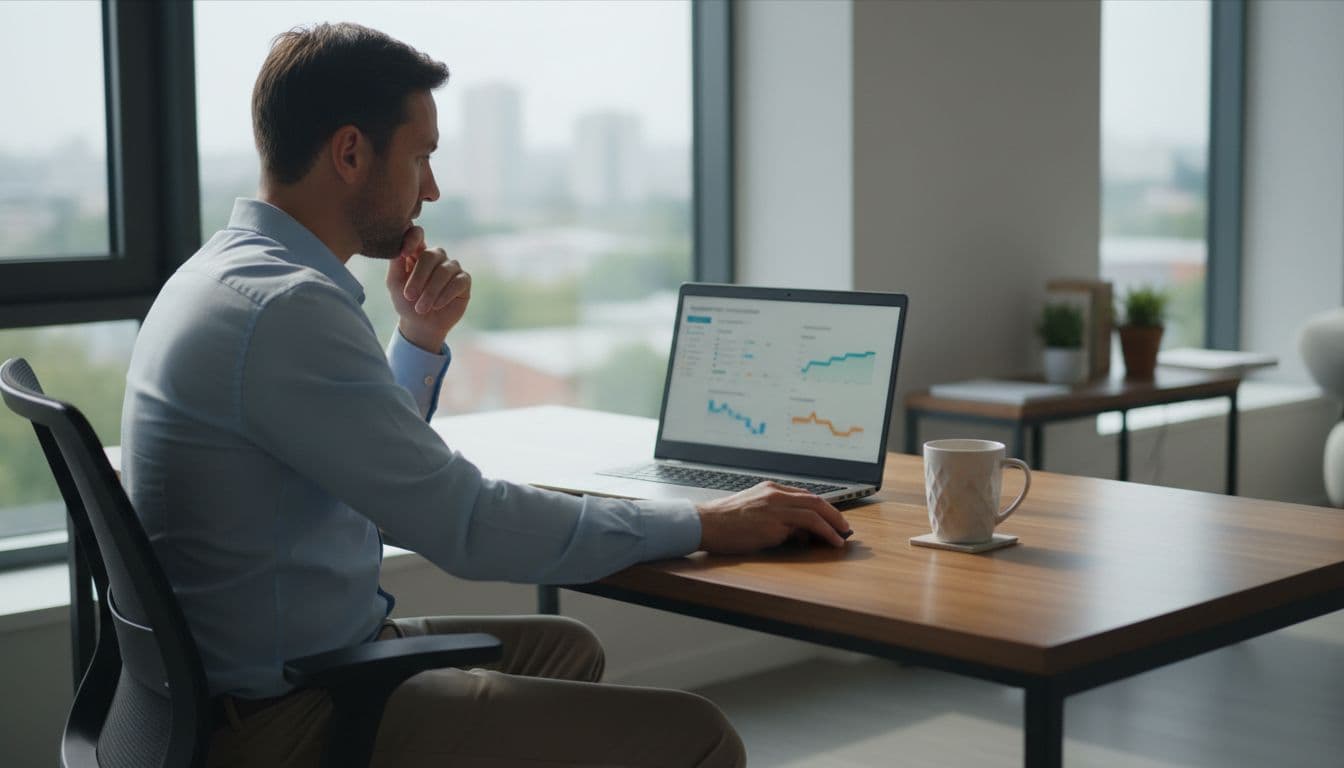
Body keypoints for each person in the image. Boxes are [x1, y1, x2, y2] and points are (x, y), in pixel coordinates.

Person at [121, 22, 850, 768]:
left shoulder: (225, 276)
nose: (431, 188)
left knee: (565, 648)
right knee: (704, 738)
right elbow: (465, 523)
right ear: (349, 152)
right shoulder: (284, 309)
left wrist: (419, 338)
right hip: (285, 715)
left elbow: (373, 471)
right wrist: (702, 523)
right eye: (421, 156)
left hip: (256, 676)